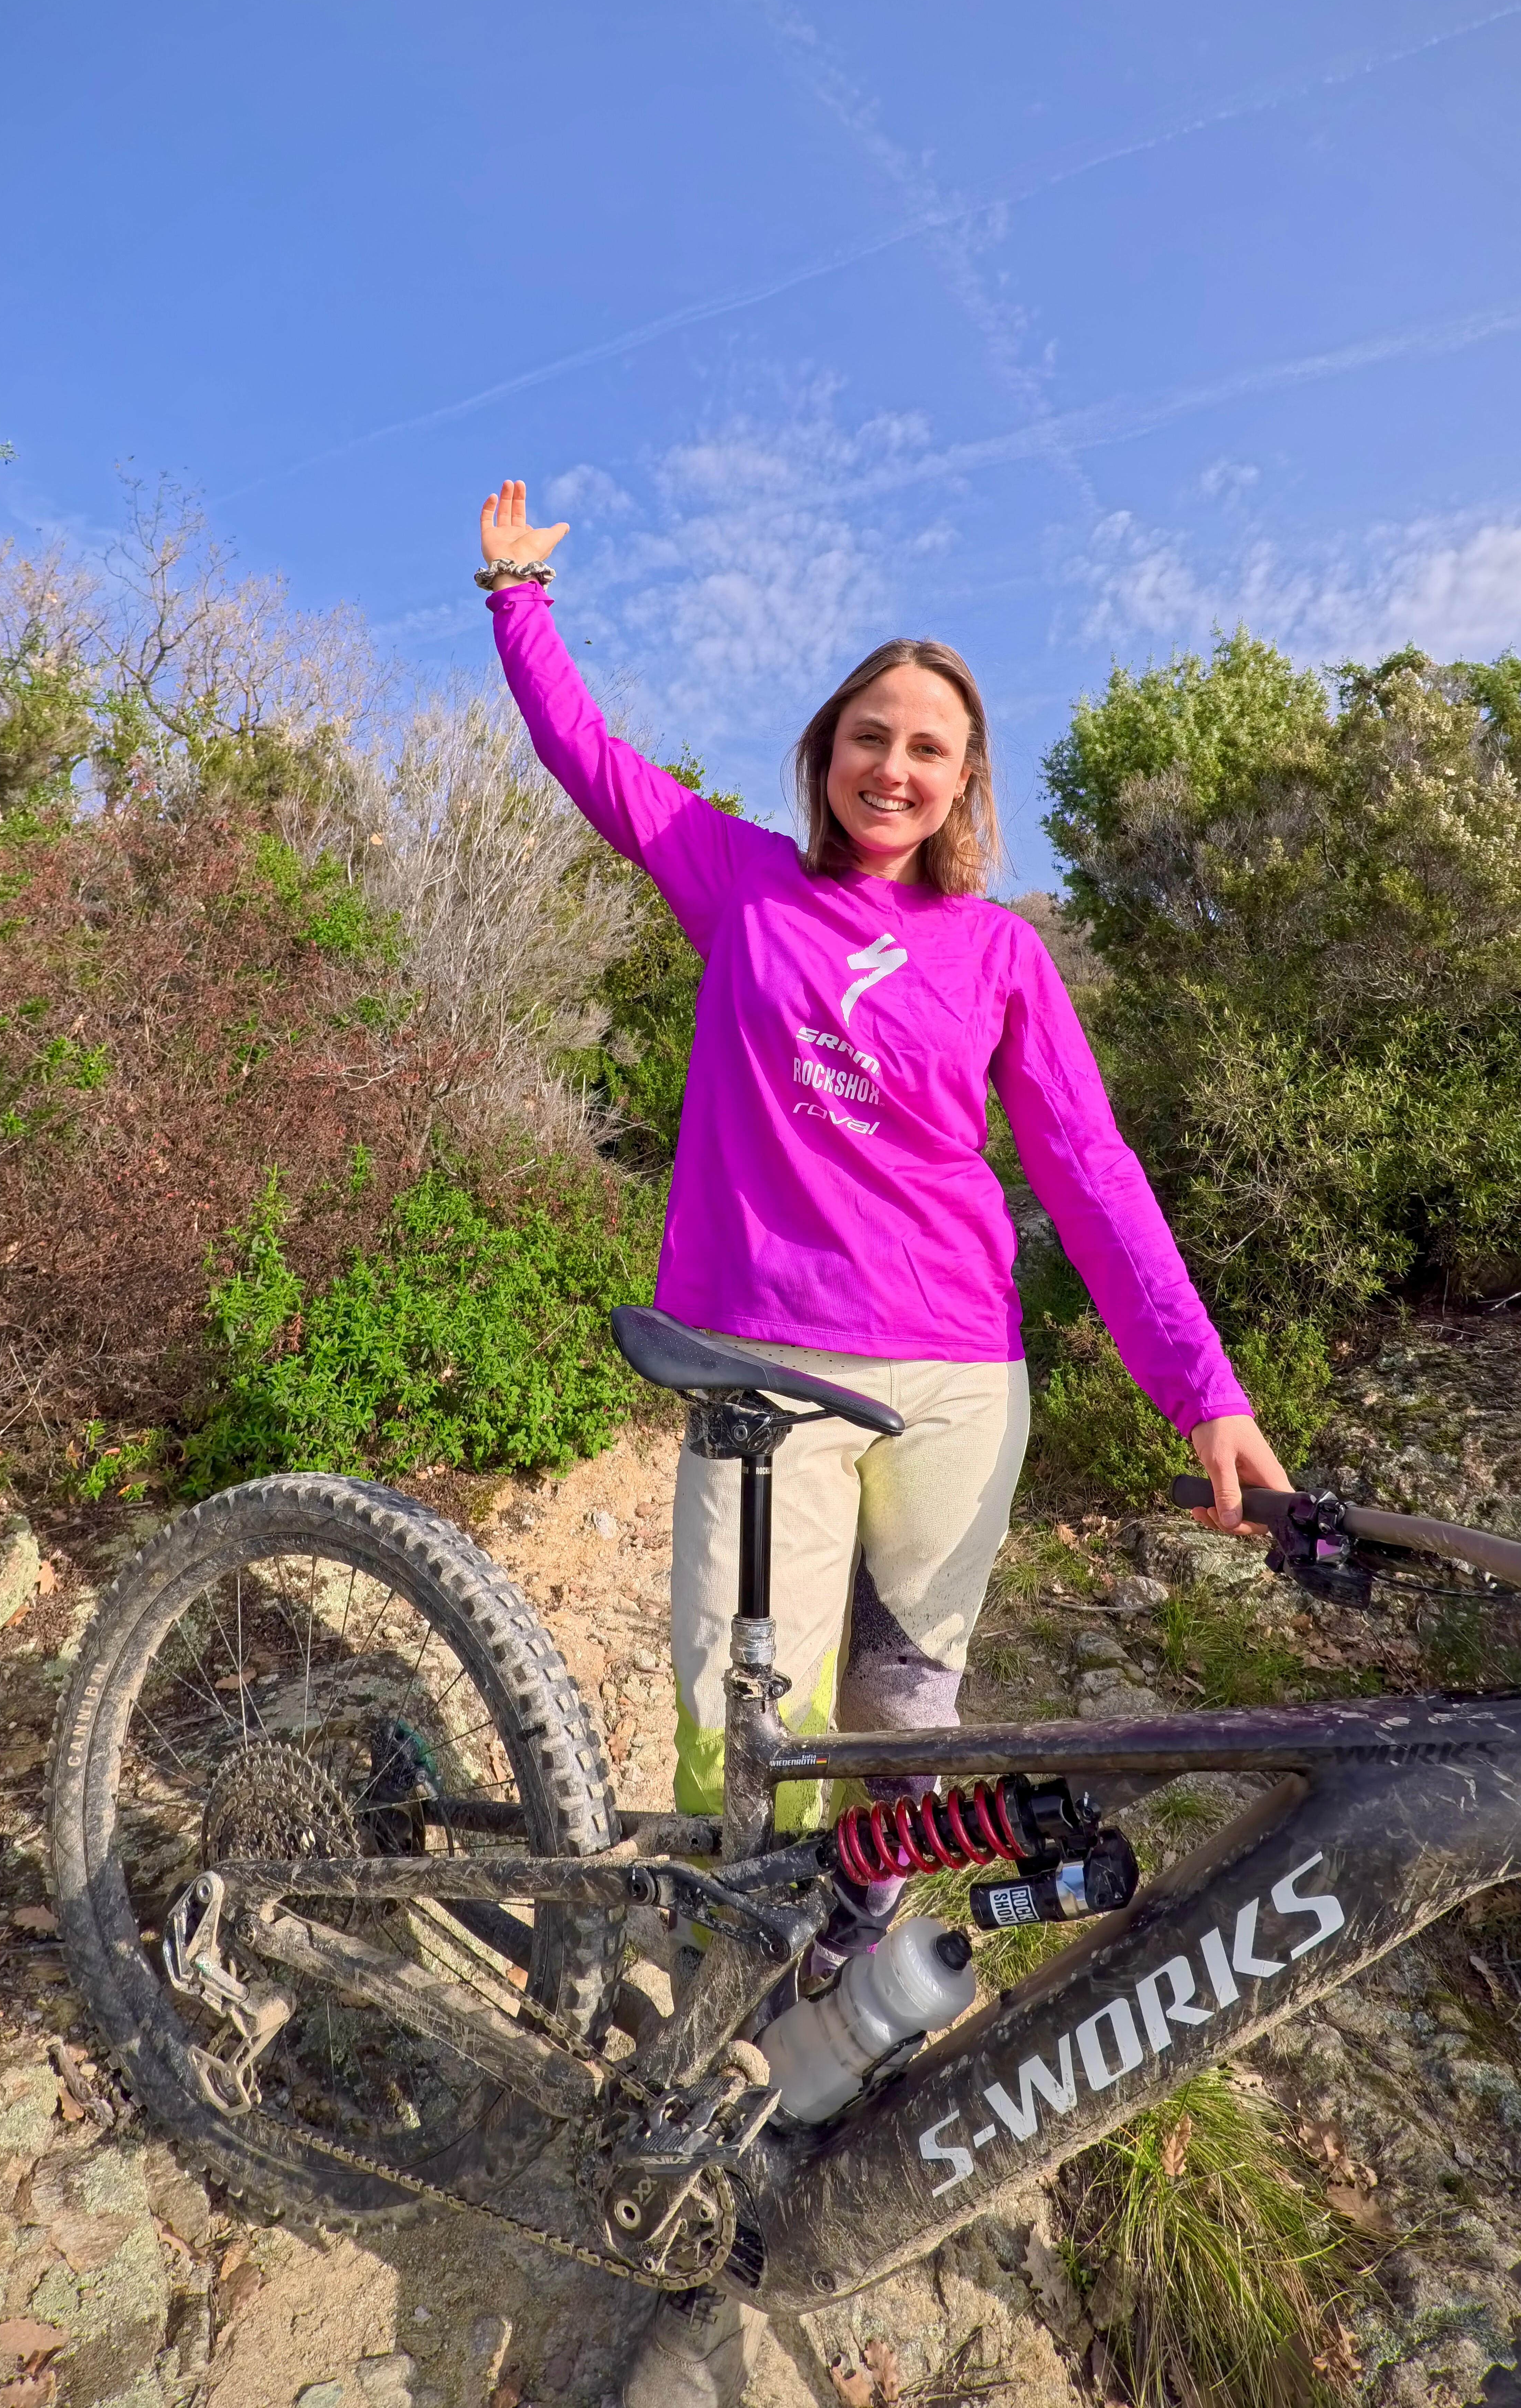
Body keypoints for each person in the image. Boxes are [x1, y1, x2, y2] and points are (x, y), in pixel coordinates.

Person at [482, 478, 1291, 2405]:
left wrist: (1206, 1394)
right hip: (752, 1359)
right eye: (869, 738)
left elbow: (1085, 1174)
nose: (895, 769)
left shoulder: (1002, 955)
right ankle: (710, 1991)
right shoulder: (737, 879)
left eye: (929, 747)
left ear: (963, 775)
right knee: (727, 1704)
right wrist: (515, 597)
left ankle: (838, 2005)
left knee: (905, 1712)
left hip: (953, 1376)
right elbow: (590, 760)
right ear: (825, 754)